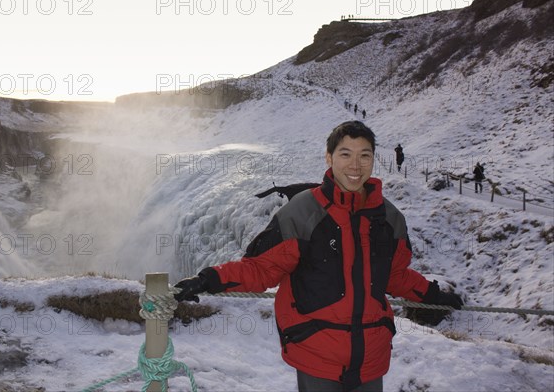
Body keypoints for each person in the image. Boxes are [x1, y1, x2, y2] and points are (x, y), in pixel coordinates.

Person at [174, 121, 463, 392]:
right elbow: (262, 269)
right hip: (316, 354)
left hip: (372, 357)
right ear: (329, 157)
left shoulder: (389, 218)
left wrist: (433, 295)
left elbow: (395, 276)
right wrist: (209, 279)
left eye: (365, 155)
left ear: (374, 159)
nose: (355, 165)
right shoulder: (302, 212)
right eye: (345, 154)